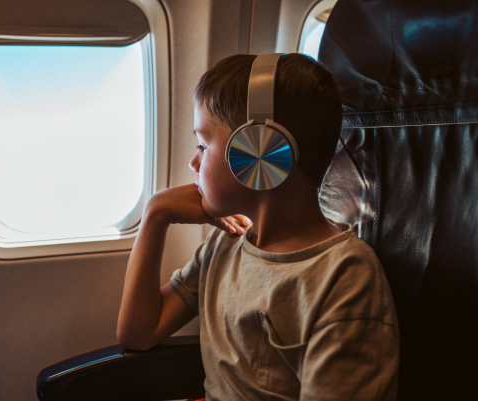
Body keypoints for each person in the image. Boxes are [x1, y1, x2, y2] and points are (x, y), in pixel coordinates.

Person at [117, 53, 399, 401]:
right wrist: (155, 215)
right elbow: (138, 333)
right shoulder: (225, 246)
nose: (193, 161)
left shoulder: (344, 278)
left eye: (204, 145)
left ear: (260, 152)